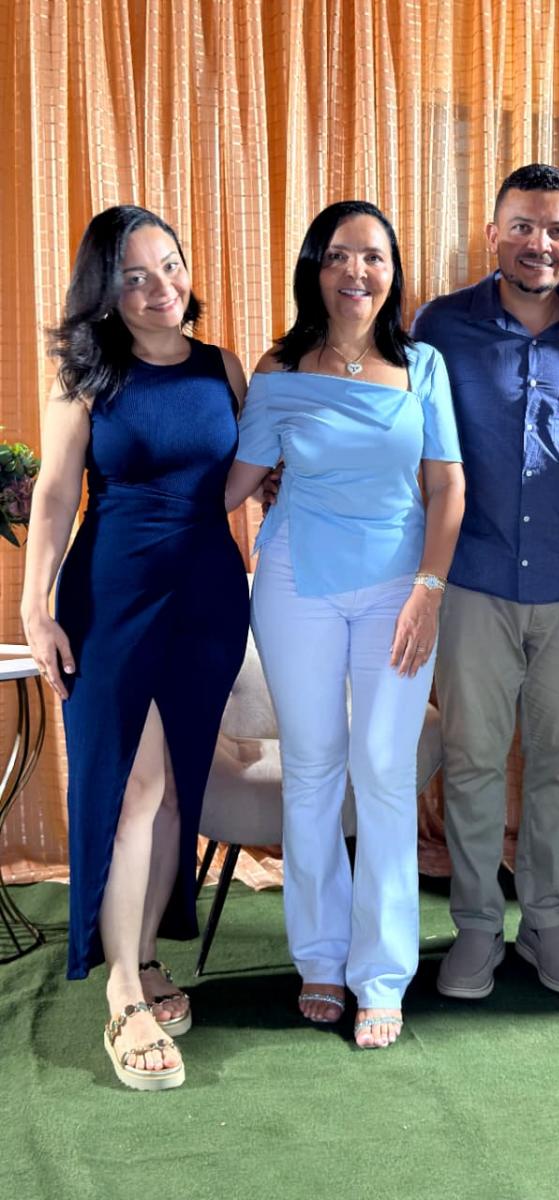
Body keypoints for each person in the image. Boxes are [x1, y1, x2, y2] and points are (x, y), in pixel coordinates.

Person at [20, 205, 250, 1089]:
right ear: (106, 291)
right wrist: (36, 607)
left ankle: (146, 951)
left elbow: (235, 476)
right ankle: (121, 990)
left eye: (171, 266)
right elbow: (53, 495)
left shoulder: (222, 366)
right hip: (111, 599)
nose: (162, 288)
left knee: (176, 788)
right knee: (133, 788)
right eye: (136, 277)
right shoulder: (87, 375)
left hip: (208, 599)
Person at [225, 200, 464, 1049]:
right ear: (314, 270)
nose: (355, 272)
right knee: (315, 767)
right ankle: (321, 959)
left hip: (400, 588)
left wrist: (429, 590)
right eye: (337, 256)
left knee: (384, 768)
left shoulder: (424, 365)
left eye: (372, 256)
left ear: (392, 272)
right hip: (296, 584)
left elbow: (448, 486)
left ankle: (383, 972)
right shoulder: (279, 367)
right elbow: (238, 481)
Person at [412, 164, 559, 1000]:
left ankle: (545, 921)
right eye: (524, 226)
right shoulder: (439, 326)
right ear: (493, 232)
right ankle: (474, 928)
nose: (541, 243)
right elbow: (403, 435)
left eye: (558, 229)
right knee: (472, 761)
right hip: (473, 579)